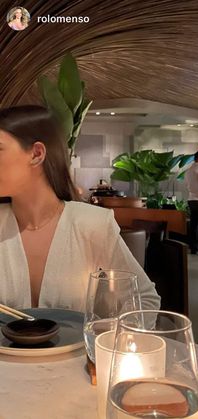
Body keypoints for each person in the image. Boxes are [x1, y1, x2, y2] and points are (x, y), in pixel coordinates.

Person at [0, 105, 160, 311]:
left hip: (81, 345)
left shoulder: (91, 224)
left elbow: (143, 299)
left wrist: (111, 338)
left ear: (36, 154)